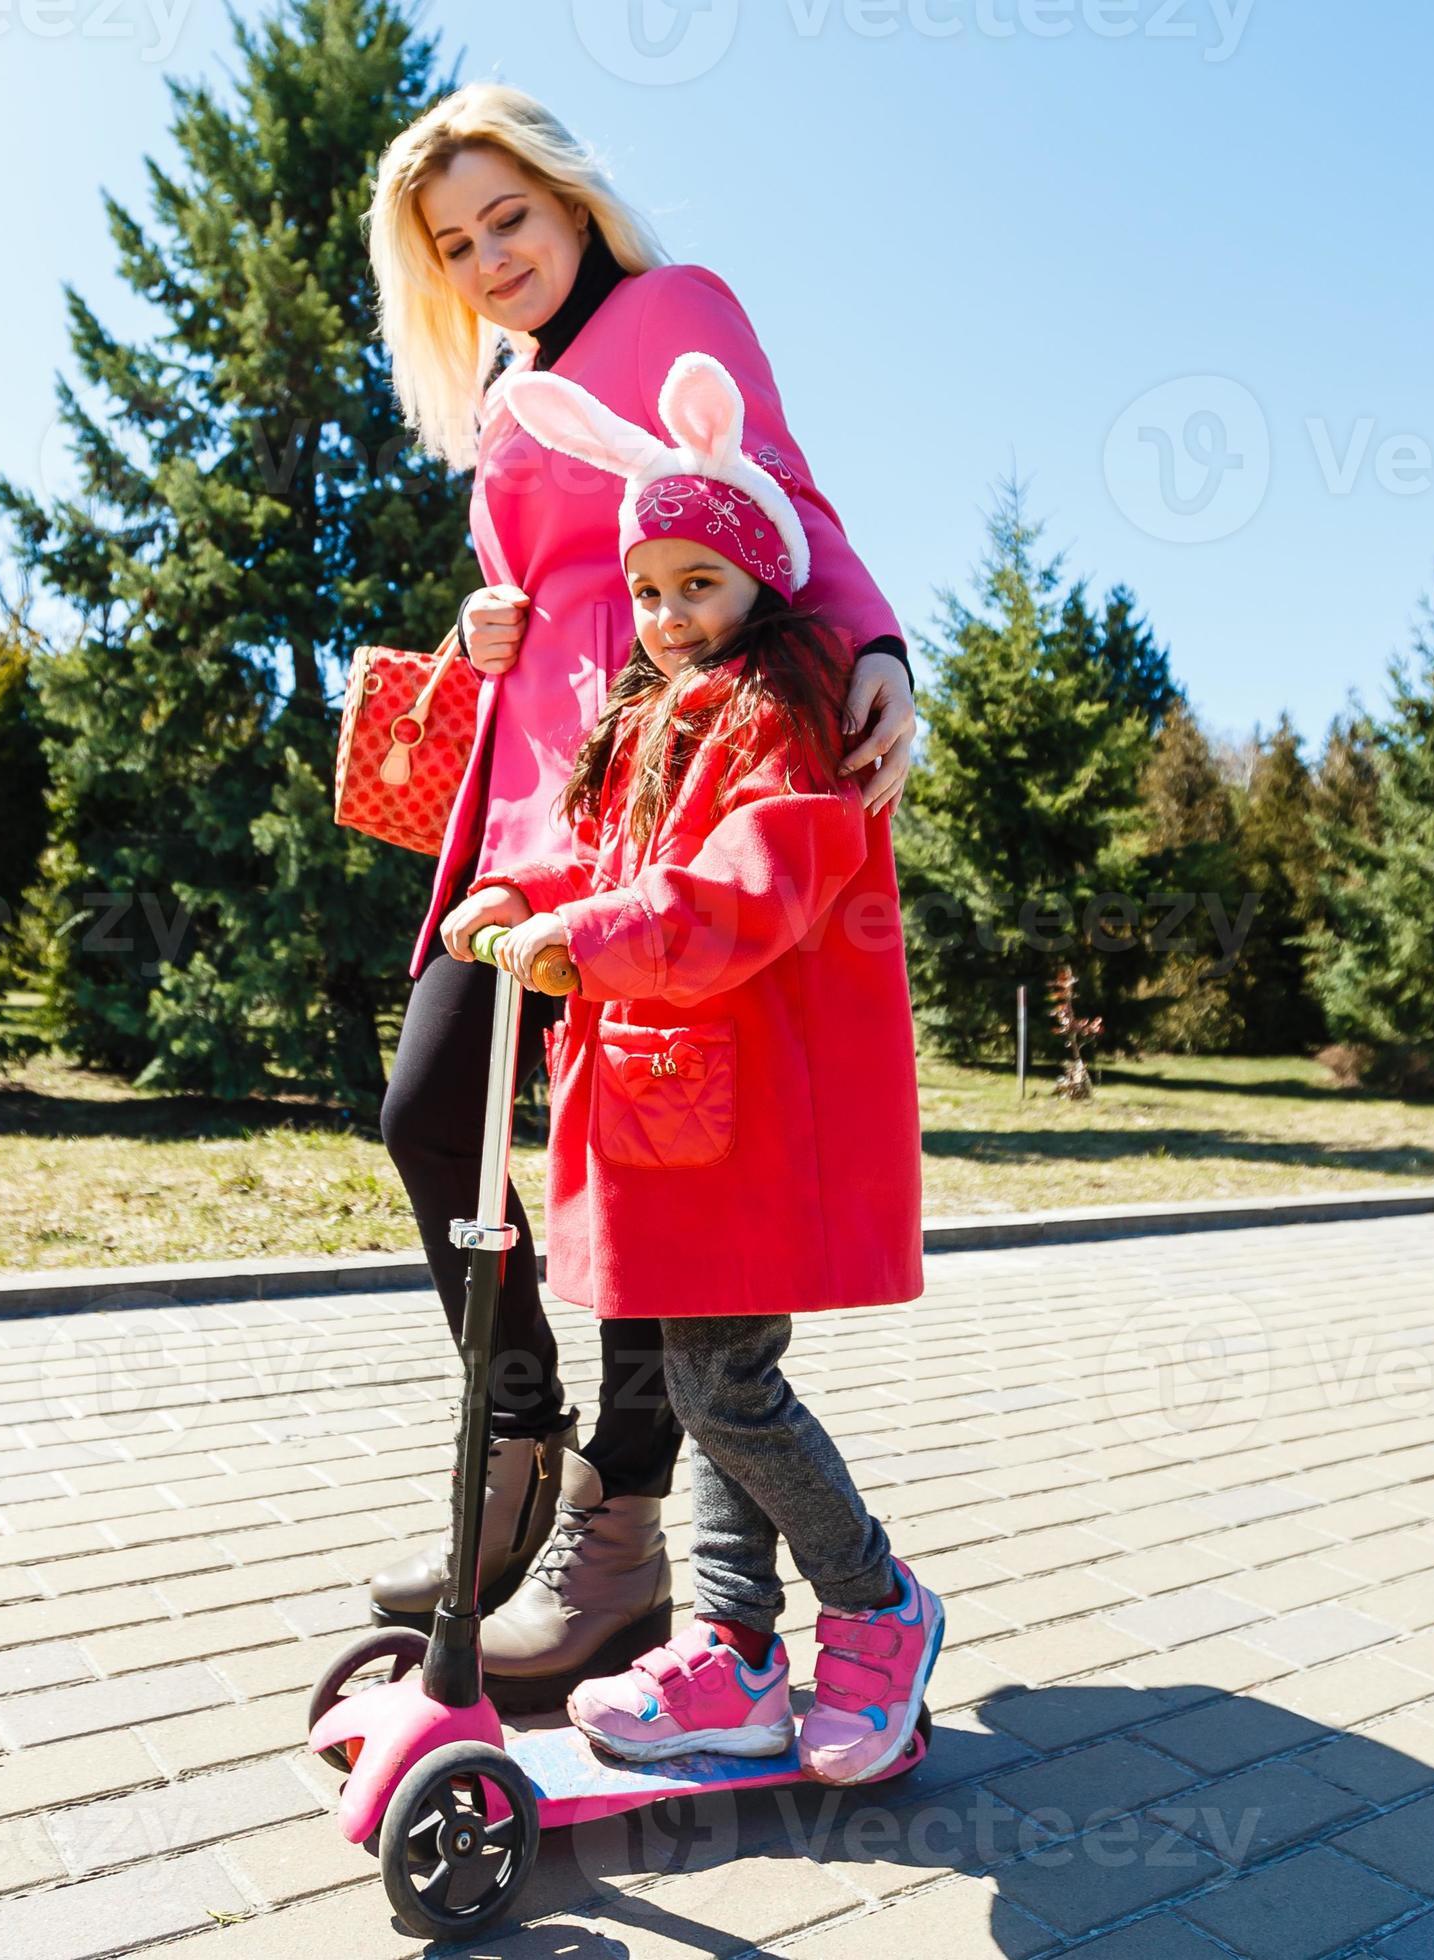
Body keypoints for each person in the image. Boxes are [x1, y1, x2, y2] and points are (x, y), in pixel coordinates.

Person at [360, 82, 919, 1708]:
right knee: (428, 1107)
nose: (487, 261)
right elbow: (547, 569)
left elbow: (787, 498)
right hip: (528, 802)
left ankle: (618, 1540)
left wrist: (873, 646)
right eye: (454, 249)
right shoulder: (510, 389)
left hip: (673, 796)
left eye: (506, 219)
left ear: (574, 199)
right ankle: (516, 1443)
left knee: (660, 1146)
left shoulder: (676, 312)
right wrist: (484, 623)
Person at [444, 345, 940, 1778]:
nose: (665, 615)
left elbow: (735, 897)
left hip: (746, 1119)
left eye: (697, 587)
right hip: (669, 1113)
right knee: (705, 1387)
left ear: (761, 585)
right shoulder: (654, 719)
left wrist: (579, 934)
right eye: (647, 588)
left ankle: (877, 1608)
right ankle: (731, 1647)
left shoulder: (778, 717)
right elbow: (604, 865)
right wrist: (521, 902)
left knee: (728, 1390)